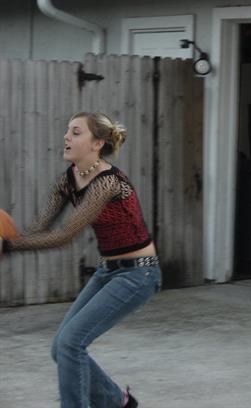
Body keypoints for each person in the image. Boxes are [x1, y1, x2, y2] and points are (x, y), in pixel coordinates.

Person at [0, 112, 162, 408]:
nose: (66, 137)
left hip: (139, 275)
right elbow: (39, 228)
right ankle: (119, 402)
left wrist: (8, 245)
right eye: (67, 131)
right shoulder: (67, 180)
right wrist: (9, 239)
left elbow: (65, 235)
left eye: (76, 132)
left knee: (70, 344)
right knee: (60, 349)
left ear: (97, 143)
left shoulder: (108, 183)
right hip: (108, 271)